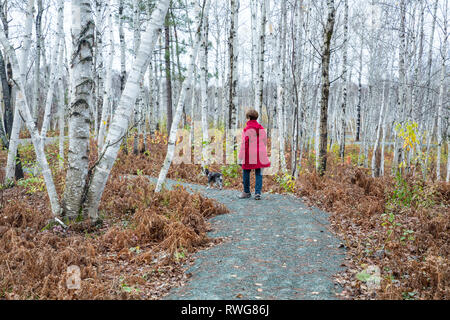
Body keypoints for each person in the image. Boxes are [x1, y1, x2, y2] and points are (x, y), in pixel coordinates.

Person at [238, 109, 271, 200]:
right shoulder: (261, 128)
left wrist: (240, 157)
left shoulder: (247, 129)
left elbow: (245, 143)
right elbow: (264, 141)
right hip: (260, 153)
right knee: (259, 173)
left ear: (248, 118)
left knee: (246, 171)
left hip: (249, 153)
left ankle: (246, 192)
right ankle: (257, 193)